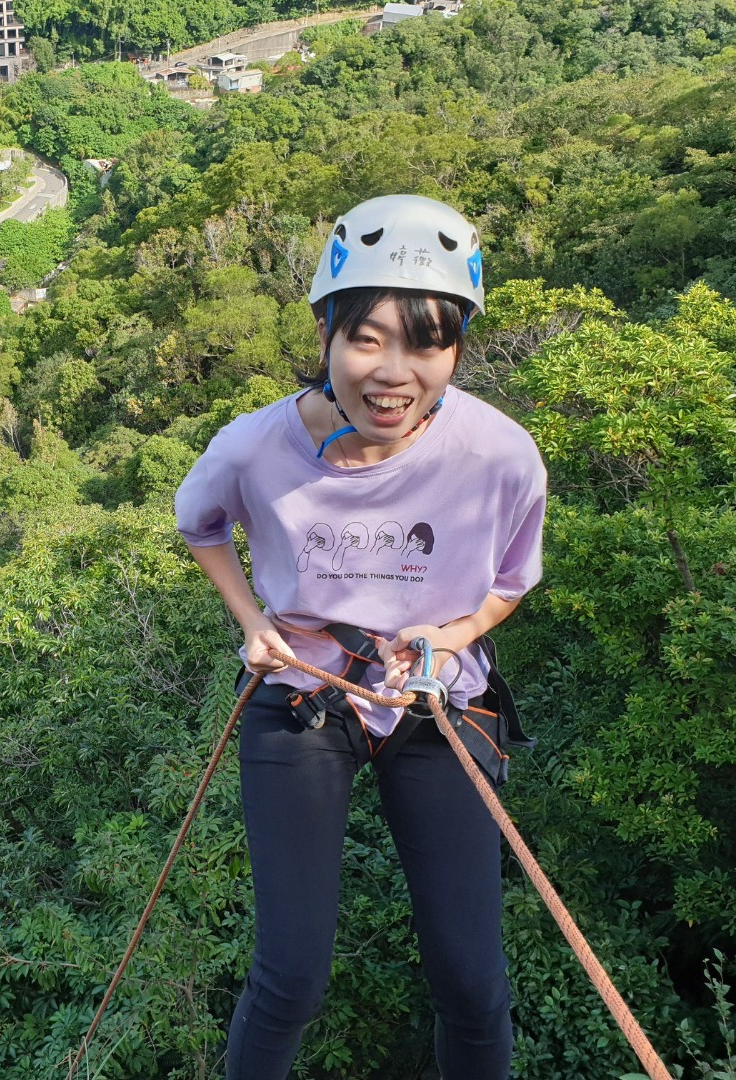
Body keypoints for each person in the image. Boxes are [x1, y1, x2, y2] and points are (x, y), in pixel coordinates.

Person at [174, 194, 547, 1080]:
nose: (394, 371)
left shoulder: (499, 455)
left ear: (457, 348)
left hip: (435, 700)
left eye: (426, 341)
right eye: (368, 337)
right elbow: (201, 526)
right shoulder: (253, 447)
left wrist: (451, 638)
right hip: (304, 686)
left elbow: (508, 584)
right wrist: (256, 624)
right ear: (325, 334)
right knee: (291, 973)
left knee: (471, 979)